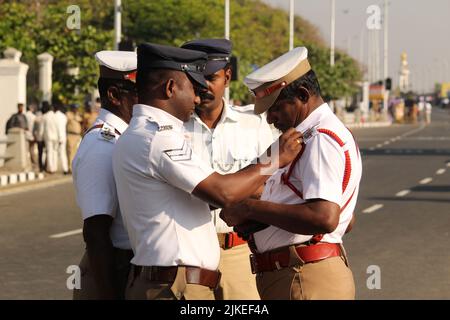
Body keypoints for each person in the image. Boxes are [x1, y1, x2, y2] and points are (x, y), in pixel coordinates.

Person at [112, 43, 302, 300]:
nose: (198, 98)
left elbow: (208, 194)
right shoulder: (159, 137)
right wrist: (274, 159)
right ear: (170, 88)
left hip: (177, 280)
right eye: (193, 88)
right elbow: (222, 192)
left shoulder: (144, 133)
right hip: (176, 286)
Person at [220, 47, 362, 300]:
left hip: (305, 276)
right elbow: (343, 219)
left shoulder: (320, 140)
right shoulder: (306, 137)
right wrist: (261, 221)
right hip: (298, 273)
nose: (270, 119)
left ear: (302, 94)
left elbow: (325, 217)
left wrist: (251, 209)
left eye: (275, 108)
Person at [181, 38, 273, 300]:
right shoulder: (172, 128)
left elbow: (270, 185)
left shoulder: (253, 124)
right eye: (196, 79)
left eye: (211, 77)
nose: (204, 87)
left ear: (228, 76)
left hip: (238, 253)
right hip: (190, 255)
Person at [72, 51, 138, 300]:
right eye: (139, 93)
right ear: (114, 95)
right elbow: (96, 232)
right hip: (113, 271)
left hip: (126, 266)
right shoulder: (104, 145)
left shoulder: (123, 138)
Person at [41, 102, 59, 173]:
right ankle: (54, 167)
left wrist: (41, 137)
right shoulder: (55, 116)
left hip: (48, 137)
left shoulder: (45, 116)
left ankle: (50, 168)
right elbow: (58, 127)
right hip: (56, 136)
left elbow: (42, 128)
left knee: (49, 152)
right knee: (55, 152)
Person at [66, 104, 83, 173]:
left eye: (77, 108)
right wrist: (75, 117)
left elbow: (81, 121)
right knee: (70, 152)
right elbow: (69, 119)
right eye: (75, 108)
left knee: (77, 152)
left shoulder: (78, 115)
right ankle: (70, 168)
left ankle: (76, 167)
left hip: (78, 135)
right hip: (71, 135)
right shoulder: (69, 114)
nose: (76, 109)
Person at [55, 103, 69, 174]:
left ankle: (54, 169)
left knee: (56, 153)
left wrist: (59, 138)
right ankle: (65, 168)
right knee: (63, 153)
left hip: (58, 137)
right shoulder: (64, 116)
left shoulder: (55, 116)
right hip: (63, 136)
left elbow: (58, 128)